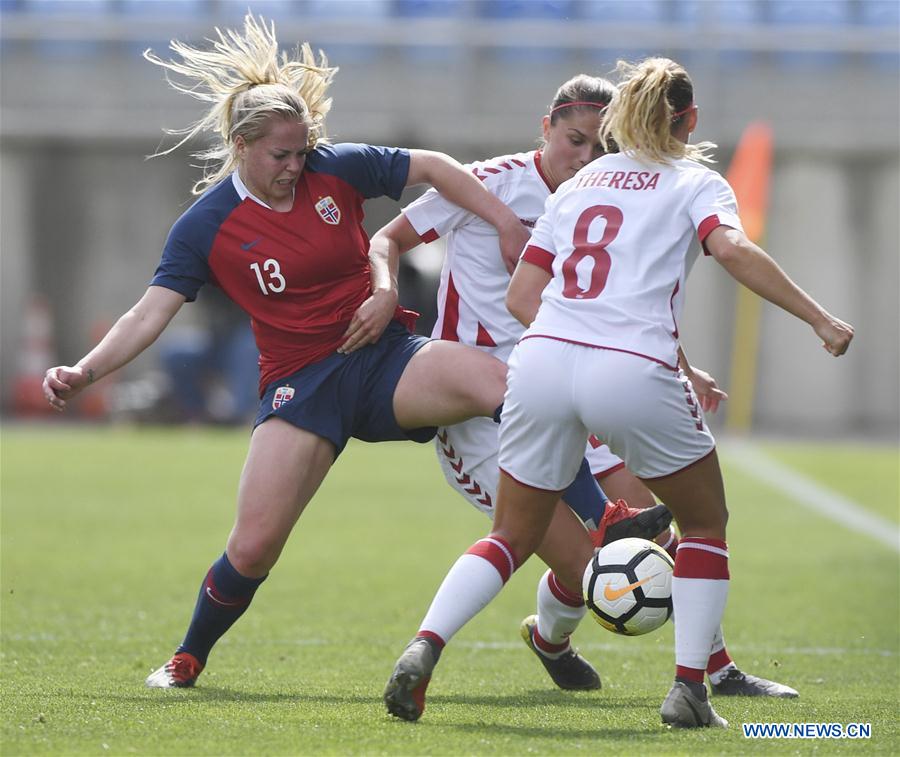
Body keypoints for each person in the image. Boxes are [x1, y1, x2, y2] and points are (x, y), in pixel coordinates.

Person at [41, 13, 537, 689]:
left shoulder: (336, 170)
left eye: (303, 152)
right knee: (253, 546)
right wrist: (85, 369)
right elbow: (148, 312)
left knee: (501, 385)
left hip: (384, 358)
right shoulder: (207, 225)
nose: (296, 166)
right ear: (242, 145)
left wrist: (506, 224)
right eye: (282, 155)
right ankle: (187, 657)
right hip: (301, 387)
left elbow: (438, 168)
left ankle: (609, 518)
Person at [383, 57, 853, 728]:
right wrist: (818, 318)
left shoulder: (582, 182)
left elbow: (523, 295)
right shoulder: (695, 181)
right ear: (689, 120)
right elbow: (733, 251)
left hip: (541, 364)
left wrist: (574, 348)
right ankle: (691, 689)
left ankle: (424, 643)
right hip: (629, 370)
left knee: (511, 534)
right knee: (702, 524)